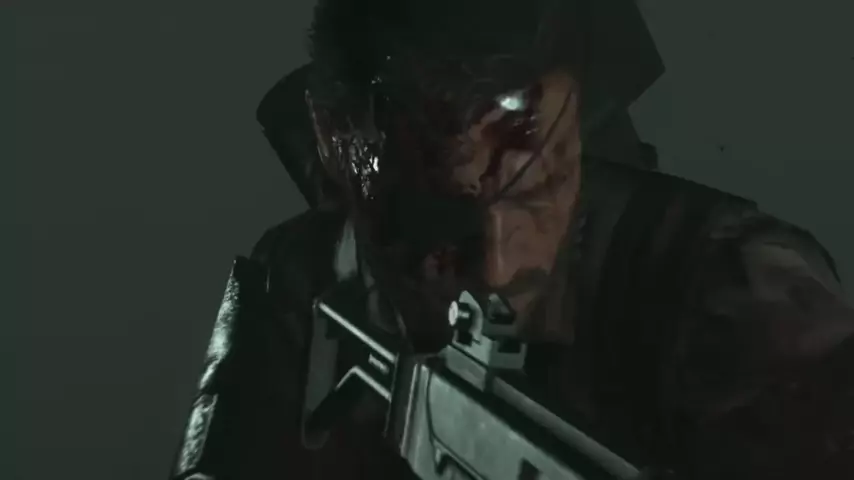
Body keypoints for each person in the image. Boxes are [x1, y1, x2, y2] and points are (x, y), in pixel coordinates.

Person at [169, 0, 854, 479]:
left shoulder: (732, 295)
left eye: (537, 184)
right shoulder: (297, 274)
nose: (498, 265)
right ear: (331, 138)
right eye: (435, 224)